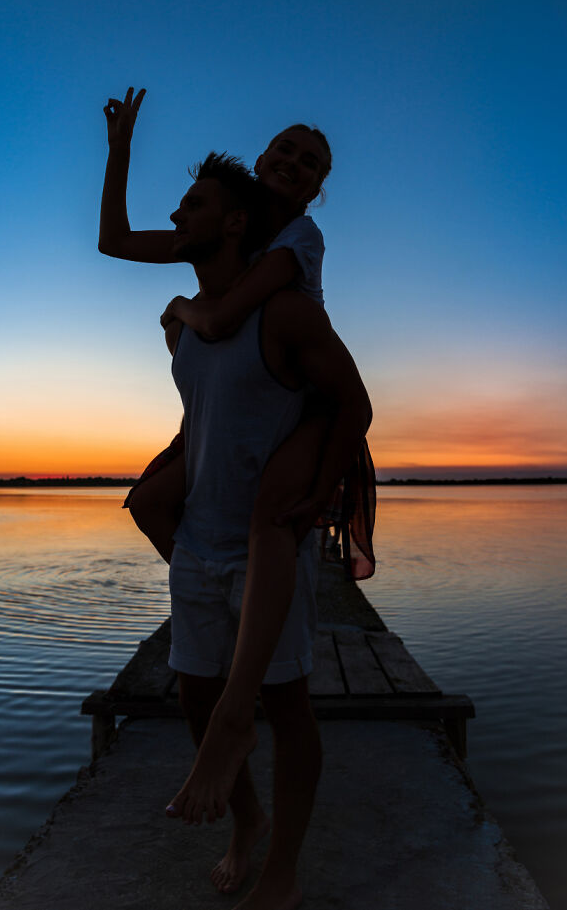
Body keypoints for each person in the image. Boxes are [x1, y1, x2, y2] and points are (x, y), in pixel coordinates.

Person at [99, 88, 375, 899]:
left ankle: (281, 864)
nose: (291, 164)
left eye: (309, 162)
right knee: (190, 683)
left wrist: (322, 486)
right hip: (204, 526)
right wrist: (120, 149)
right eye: (283, 150)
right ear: (261, 164)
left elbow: (341, 397)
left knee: (285, 701)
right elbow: (118, 244)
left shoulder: (286, 274)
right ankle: (244, 818)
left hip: (289, 466)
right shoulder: (218, 273)